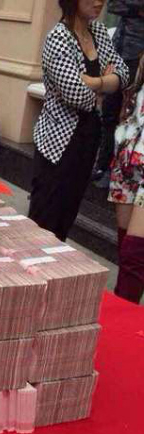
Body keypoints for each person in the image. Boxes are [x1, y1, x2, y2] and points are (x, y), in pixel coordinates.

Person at [29, 0, 129, 242]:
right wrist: (105, 86)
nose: (99, 2)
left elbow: (124, 74)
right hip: (58, 145)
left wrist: (95, 82)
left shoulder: (99, 32)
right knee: (44, 220)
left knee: (67, 215)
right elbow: (76, 95)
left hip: (88, 140)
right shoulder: (58, 37)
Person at [92, 1, 144, 187]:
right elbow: (113, 5)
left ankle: (119, 171)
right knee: (109, 111)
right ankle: (102, 165)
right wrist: (138, 9)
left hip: (138, 57)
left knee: (130, 116)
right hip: (118, 52)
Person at [108, 52, 144, 303]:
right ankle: (125, 312)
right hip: (129, 157)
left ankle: (120, 315)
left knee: (134, 253)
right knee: (125, 249)